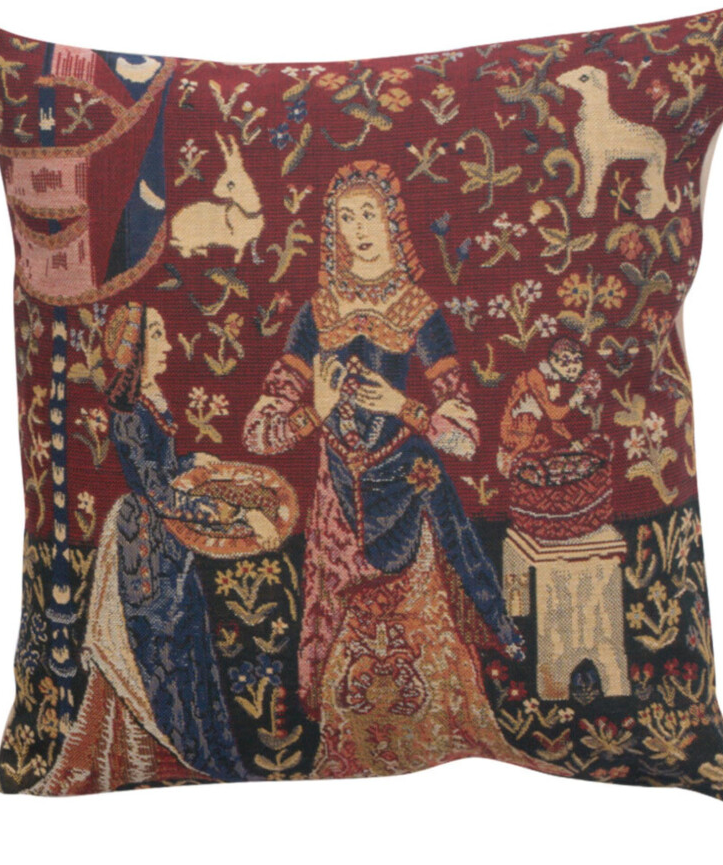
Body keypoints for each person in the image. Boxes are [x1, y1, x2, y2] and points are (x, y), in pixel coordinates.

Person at [243, 160, 570, 779]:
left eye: (369, 214)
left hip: (408, 495)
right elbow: (258, 432)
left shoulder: (418, 312)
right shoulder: (316, 315)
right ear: (333, 229)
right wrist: (315, 411)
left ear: (392, 222)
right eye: (346, 217)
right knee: (346, 653)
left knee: (418, 643)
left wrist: (403, 406)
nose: (359, 229)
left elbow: (465, 435)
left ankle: (434, 741)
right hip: (337, 504)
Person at [32, 303, 275, 793]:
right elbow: (158, 494)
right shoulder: (129, 414)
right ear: (136, 349)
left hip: (166, 542)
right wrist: (233, 514)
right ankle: (161, 754)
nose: (167, 344)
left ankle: (193, 757)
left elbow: (160, 469)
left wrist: (192, 459)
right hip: (144, 550)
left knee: (188, 641)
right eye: (157, 335)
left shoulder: (149, 402)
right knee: (162, 647)